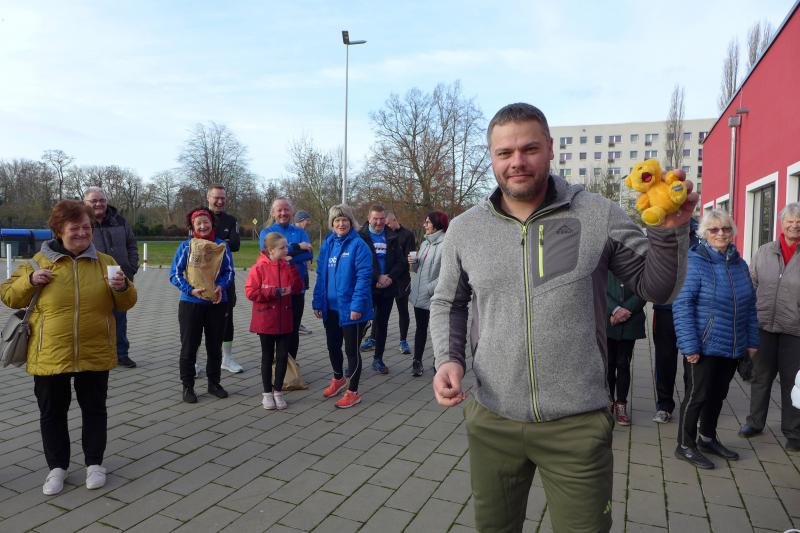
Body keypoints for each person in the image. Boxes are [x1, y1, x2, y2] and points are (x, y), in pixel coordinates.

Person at [430, 103, 695, 533]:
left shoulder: (597, 213)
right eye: (504, 152)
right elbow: (449, 301)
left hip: (577, 424)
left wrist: (669, 232)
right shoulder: (465, 228)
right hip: (492, 418)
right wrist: (448, 359)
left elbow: (658, 288)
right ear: (492, 157)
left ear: (551, 148)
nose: (517, 161)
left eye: (530, 148)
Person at [1, 200, 137, 495]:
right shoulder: (38, 262)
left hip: (94, 350)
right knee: (52, 413)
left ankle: (95, 464)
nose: (82, 233)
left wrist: (122, 288)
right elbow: (9, 296)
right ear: (59, 230)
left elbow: (127, 303)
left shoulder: (105, 262)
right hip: (50, 353)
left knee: (95, 410)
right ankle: (57, 468)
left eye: (86, 227)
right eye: (74, 228)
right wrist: (30, 280)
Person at [672, 209, 758, 469]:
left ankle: (707, 439)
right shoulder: (695, 262)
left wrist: (752, 342)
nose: (721, 233)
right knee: (697, 396)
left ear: (733, 232)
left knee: (718, 395)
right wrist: (689, 345)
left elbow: (750, 307)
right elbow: (682, 305)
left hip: (732, 345)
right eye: (714, 229)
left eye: (726, 229)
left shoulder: (739, 264)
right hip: (703, 345)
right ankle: (685, 445)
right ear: (704, 234)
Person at [739, 202, 800, 452]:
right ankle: (754, 422)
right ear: (781, 224)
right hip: (763, 325)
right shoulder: (764, 252)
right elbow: (750, 284)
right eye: (790, 221)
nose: (794, 225)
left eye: (798, 221)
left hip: (795, 329)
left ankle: (793, 431)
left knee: (792, 382)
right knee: (760, 377)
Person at [169, 208, 234, 404]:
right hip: (191, 304)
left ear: (212, 223)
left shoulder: (221, 246)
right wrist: (190, 290)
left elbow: (229, 272)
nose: (203, 226)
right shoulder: (186, 246)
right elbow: (175, 274)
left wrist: (221, 287)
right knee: (189, 347)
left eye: (206, 222)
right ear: (192, 226)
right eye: (198, 223)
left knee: (214, 346)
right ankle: (187, 386)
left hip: (217, 303)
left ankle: (214, 383)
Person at [312, 205, 374, 408]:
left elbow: (364, 278)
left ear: (351, 221)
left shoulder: (358, 245)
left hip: (352, 310)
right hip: (330, 308)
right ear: (332, 223)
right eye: (337, 220)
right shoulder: (328, 243)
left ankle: (353, 391)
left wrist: (356, 307)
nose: (341, 224)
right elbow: (321, 275)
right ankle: (338, 378)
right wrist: (317, 301)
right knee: (332, 346)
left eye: (344, 220)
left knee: (351, 351)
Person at [245, 232, 303, 411]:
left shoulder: (287, 266)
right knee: (267, 356)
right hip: (266, 320)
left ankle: (278, 391)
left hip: (284, 319)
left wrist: (292, 268)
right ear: (270, 250)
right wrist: (273, 292)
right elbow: (250, 292)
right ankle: (267, 393)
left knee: (283, 356)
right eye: (282, 248)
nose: (286, 250)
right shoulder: (259, 268)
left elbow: (297, 287)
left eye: (286, 247)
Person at [83, 186, 139, 369]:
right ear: (85, 203)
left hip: (120, 277)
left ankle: (121, 354)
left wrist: (131, 267)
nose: (98, 204)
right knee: (93, 319)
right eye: (94, 201)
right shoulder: (81, 222)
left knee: (120, 318)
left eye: (102, 200)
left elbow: (131, 244)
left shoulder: (120, 221)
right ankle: (94, 355)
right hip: (92, 280)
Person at [652, 217, 700, 424]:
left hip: (693, 310)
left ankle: (692, 406)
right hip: (665, 309)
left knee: (693, 359)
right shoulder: (659, 239)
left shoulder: (700, 240)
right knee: (664, 359)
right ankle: (664, 406)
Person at [259, 198, 313, 361]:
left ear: (292, 212)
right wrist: (297, 247)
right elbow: (268, 253)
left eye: (286, 209)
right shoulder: (266, 232)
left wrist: (286, 256)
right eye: (279, 210)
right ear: (273, 213)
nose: (283, 213)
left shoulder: (300, 231)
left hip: (296, 288)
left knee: (293, 328)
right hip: (275, 289)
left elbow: (309, 254)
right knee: (275, 329)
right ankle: (275, 364)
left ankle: (290, 365)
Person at [358, 204, 407, 374]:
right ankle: (354, 361)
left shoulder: (392, 236)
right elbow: (359, 262)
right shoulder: (360, 237)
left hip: (387, 288)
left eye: (381, 219)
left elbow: (401, 262)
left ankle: (378, 359)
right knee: (360, 323)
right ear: (369, 218)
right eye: (375, 219)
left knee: (382, 324)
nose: (378, 222)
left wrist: (389, 277)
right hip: (367, 288)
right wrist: (377, 277)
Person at [207, 185, 244, 374]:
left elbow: (235, 244)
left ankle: (227, 359)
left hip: (225, 276)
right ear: (208, 198)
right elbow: (195, 243)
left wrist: (215, 242)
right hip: (203, 277)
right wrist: (223, 241)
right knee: (198, 320)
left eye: (223, 198)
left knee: (226, 320)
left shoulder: (231, 220)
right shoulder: (200, 216)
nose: (220, 201)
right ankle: (195, 362)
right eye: (216, 198)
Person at [408, 210, 448, 377]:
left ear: (437, 224)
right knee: (420, 329)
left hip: (435, 296)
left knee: (438, 331)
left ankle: (439, 362)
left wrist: (430, 288)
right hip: (420, 295)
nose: (424, 225)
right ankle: (417, 361)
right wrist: (413, 263)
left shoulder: (446, 243)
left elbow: (448, 273)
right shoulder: (425, 243)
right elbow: (417, 270)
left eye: (428, 222)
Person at [606, 271, 646, 426]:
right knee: (608, 364)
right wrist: (614, 309)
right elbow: (598, 286)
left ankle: (621, 404)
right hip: (607, 320)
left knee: (623, 364)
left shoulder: (638, 261)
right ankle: (608, 402)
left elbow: (644, 289)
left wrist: (625, 310)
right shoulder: (602, 259)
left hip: (631, 320)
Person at [386, 212, 416, 355]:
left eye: (388, 223)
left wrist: (411, 262)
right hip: (386, 279)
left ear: (395, 220)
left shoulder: (407, 235)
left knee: (403, 310)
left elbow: (408, 258)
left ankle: (403, 341)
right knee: (380, 311)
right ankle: (373, 338)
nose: (386, 226)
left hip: (402, 280)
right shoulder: (384, 234)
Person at [293, 210, 314, 336]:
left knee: (301, 297)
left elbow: (309, 253)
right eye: (307, 220)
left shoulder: (304, 233)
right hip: (293, 273)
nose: (309, 222)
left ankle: (298, 323)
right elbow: (287, 253)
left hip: (302, 272)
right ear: (301, 220)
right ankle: (295, 324)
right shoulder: (294, 233)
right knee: (295, 300)